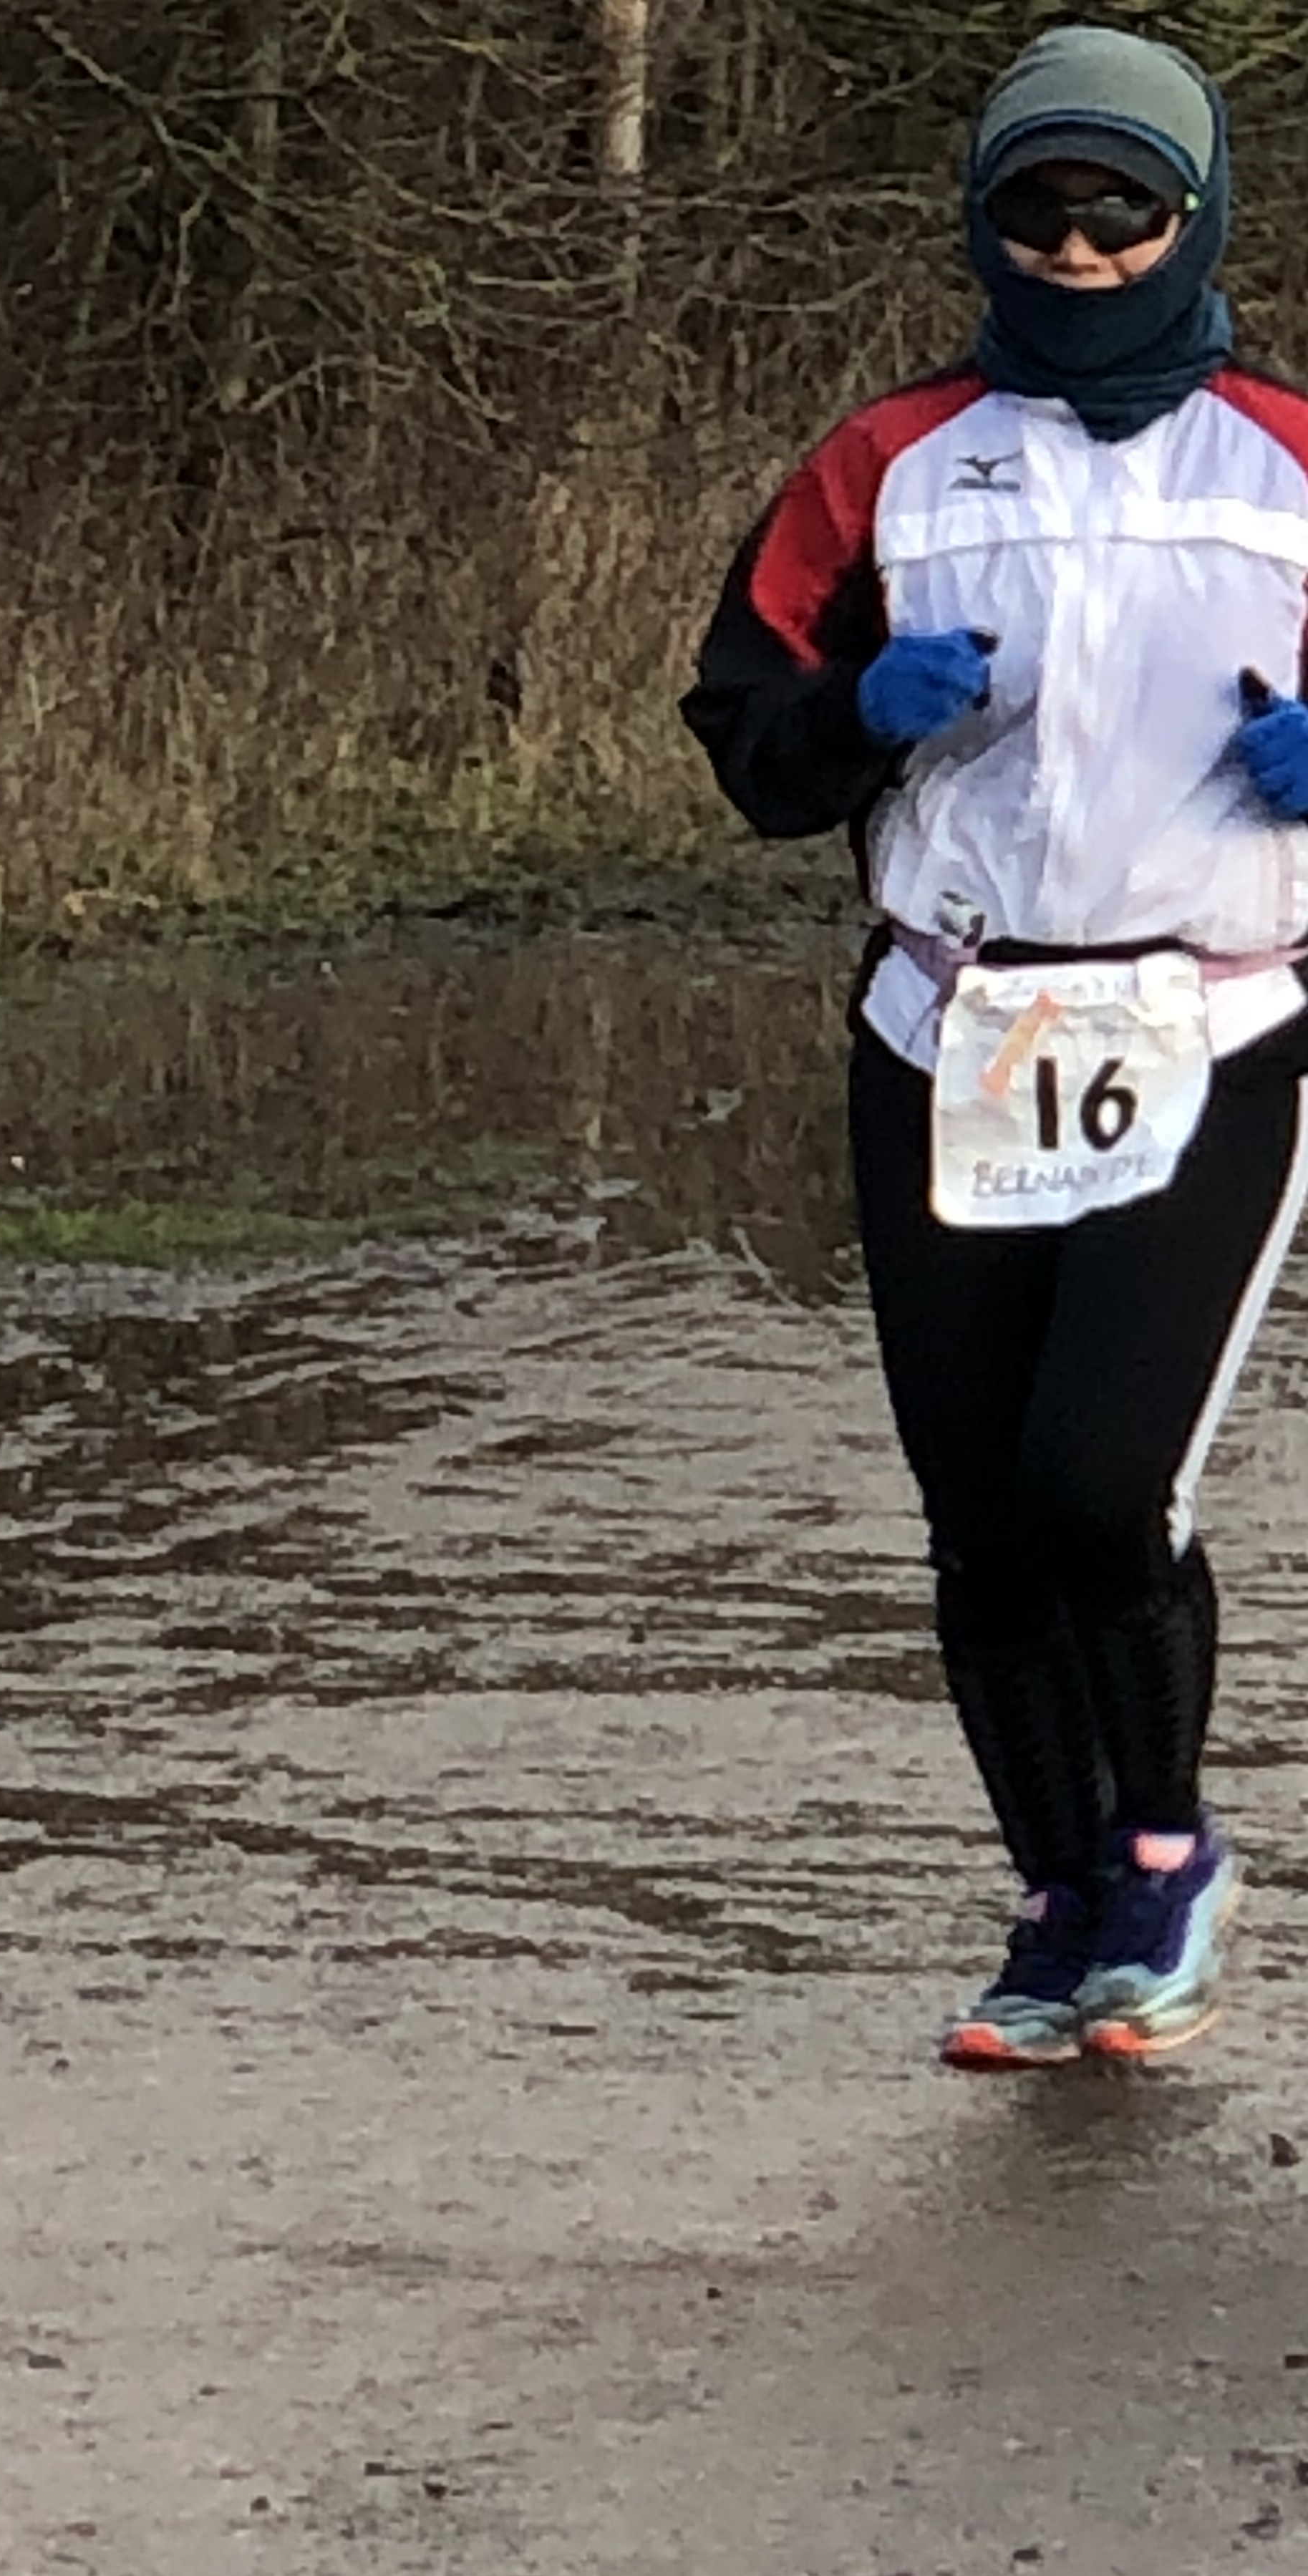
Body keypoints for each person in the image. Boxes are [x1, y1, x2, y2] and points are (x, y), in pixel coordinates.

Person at [680, 24, 1308, 2068]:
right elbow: (748, 738)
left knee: (1099, 1480)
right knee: (980, 1513)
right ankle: (1059, 1908)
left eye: (1124, 210)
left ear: (1196, 215)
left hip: (1207, 1023)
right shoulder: (885, 462)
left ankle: (1167, 1858)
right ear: (982, 216)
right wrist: (855, 715)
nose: (1082, 249)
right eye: (1041, 207)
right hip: (947, 1025)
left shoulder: (1288, 453)